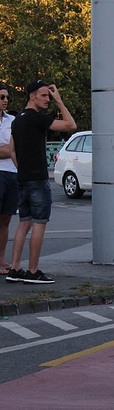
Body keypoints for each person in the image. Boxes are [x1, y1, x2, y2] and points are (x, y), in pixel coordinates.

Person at [5, 80, 76, 284]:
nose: (47, 99)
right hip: (37, 178)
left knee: (24, 222)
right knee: (39, 223)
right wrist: (60, 101)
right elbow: (71, 125)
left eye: (49, 95)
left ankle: (15, 268)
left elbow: (11, 150)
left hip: (22, 178)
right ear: (32, 96)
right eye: (44, 95)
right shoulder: (37, 119)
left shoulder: (17, 120)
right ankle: (33, 271)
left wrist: (22, 169)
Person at [0, 83, 18, 275]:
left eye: (6, 97)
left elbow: (16, 147)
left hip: (12, 174)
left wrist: (7, 149)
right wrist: (9, 149)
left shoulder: (13, 120)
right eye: (1, 97)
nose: (5, 100)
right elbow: (10, 149)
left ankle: (1, 259)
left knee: (5, 218)